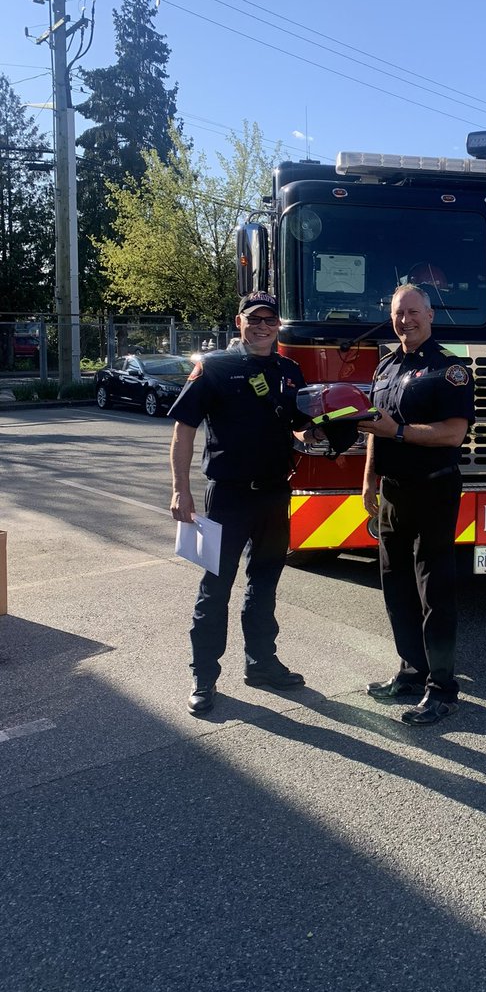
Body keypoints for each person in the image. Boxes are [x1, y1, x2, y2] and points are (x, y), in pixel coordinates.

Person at [169, 291, 308, 716]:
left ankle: (261, 664)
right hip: (227, 497)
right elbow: (184, 431)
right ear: (239, 321)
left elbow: (299, 427)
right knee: (215, 589)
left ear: (278, 326)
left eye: (270, 320)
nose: (263, 326)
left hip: (273, 494)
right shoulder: (213, 367)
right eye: (255, 319)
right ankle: (204, 677)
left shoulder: (290, 371)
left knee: (264, 584)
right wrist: (180, 488)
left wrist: (319, 433)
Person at [358, 283, 475, 726]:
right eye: (397, 312)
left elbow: (452, 433)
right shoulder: (385, 367)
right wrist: (369, 479)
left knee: (435, 590)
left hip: (434, 488)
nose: (404, 319)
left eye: (413, 311)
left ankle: (442, 688)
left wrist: (401, 433)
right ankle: (410, 672)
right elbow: (373, 426)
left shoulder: (450, 370)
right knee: (395, 584)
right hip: (393, 491)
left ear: (429, 315)